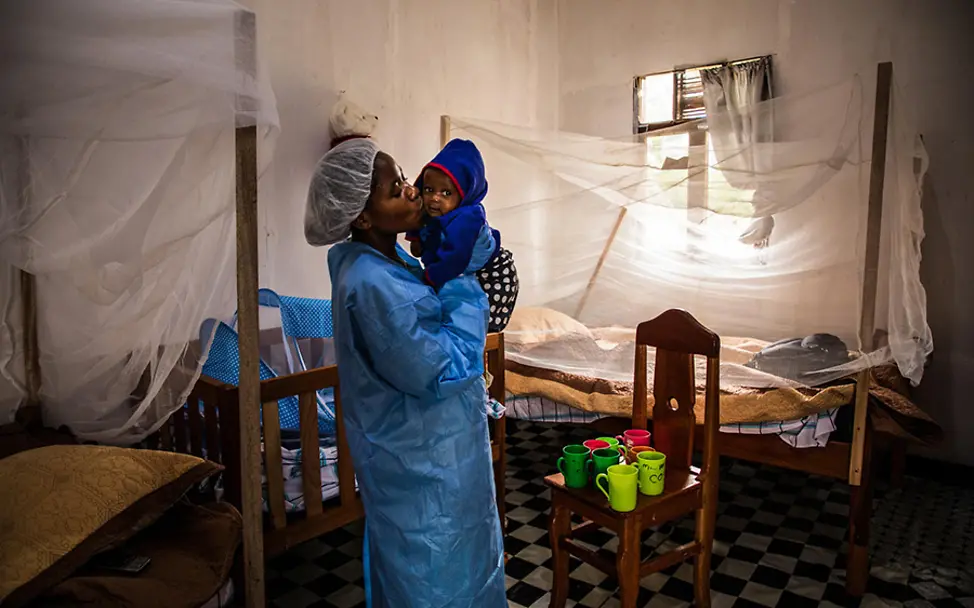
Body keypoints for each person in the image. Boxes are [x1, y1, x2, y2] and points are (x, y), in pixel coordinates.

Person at [304, 134, 507, 608]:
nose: (414, 191)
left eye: (404, 178)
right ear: (363, 217)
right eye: (396, 189)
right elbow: (443, 369)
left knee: (462, 570)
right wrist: (462, 279)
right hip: (425, 474)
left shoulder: (389, 261)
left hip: (440, 460)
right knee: (435, 584)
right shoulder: (372, 283)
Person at [405, 139, 519, 333]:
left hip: (493, 277)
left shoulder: (468, 217)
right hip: (463, 274)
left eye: (446, 193)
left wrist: (429, 278)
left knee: (473, 325)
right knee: (448, 314)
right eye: (429, 189)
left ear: (465, 195)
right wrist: (416, 239)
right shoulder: (435, 210)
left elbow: (455, 258)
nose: (435, 198)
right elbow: (419, 222)